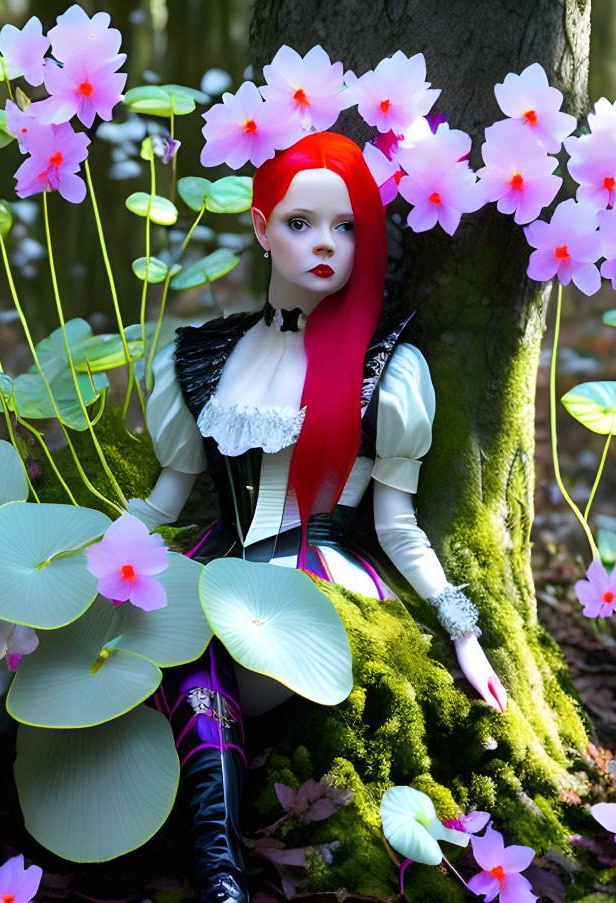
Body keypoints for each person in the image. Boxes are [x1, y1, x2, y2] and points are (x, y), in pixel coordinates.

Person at [131, 131, 508, 902]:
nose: (326, 244)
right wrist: (78, 561)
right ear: (262, 226)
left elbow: (398, 524)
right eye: (301, 223)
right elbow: (164, 498)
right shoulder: (203, 356)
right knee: (129, 650)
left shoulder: (386, 367)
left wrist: (461, 629)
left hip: (320, 583)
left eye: (346, 227)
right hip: (212, 565)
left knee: (199, 659)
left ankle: (217, 868)